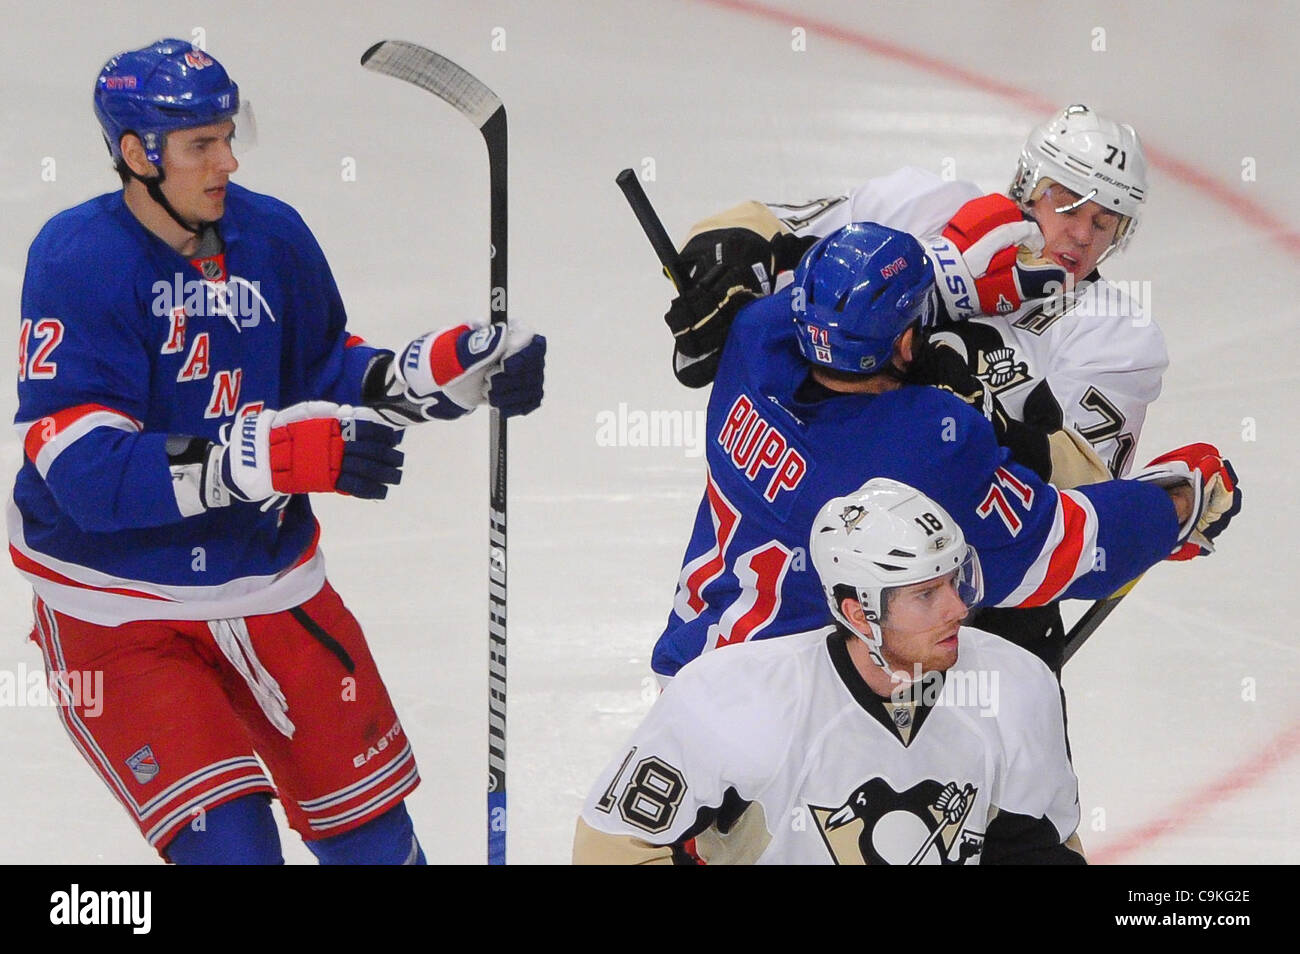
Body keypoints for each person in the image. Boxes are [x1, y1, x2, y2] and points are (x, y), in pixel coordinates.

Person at [11, 38, 546, 864]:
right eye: (200, 145)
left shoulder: (270, 235)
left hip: (270, 585)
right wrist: (260, 459)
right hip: (119, 611)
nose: (226, 160)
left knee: (378, 850)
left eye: (229, 135)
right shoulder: (79, 259)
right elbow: (86, 477)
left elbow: (324, 369)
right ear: (134, 154)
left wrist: (446, 369)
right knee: (235, 852)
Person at [662, 104, 1167, 669]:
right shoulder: (926, 206)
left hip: (976, 599)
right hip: (838, 515)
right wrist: (724, 263)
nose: (1078, 232)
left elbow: (1083, 494)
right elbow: (765, 228)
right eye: (1067, 200)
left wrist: (993, 417)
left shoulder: (1118, 335)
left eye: (1104, 222)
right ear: (1028, 184)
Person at [650, 220, 1238, 682]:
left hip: (690, 673)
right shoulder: (926, 442)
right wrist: (1181, 500)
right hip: (796, 718)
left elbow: (809, 298)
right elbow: (1060, 550)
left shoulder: (752, 340)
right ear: (907, 340)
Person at [576, 479, 1084, 864]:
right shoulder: (731, 698)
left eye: (955, 581)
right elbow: (612, 846)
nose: (957, 608)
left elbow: (1042, 850)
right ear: (860, 612)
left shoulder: (1017, 684)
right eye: (926, 594)